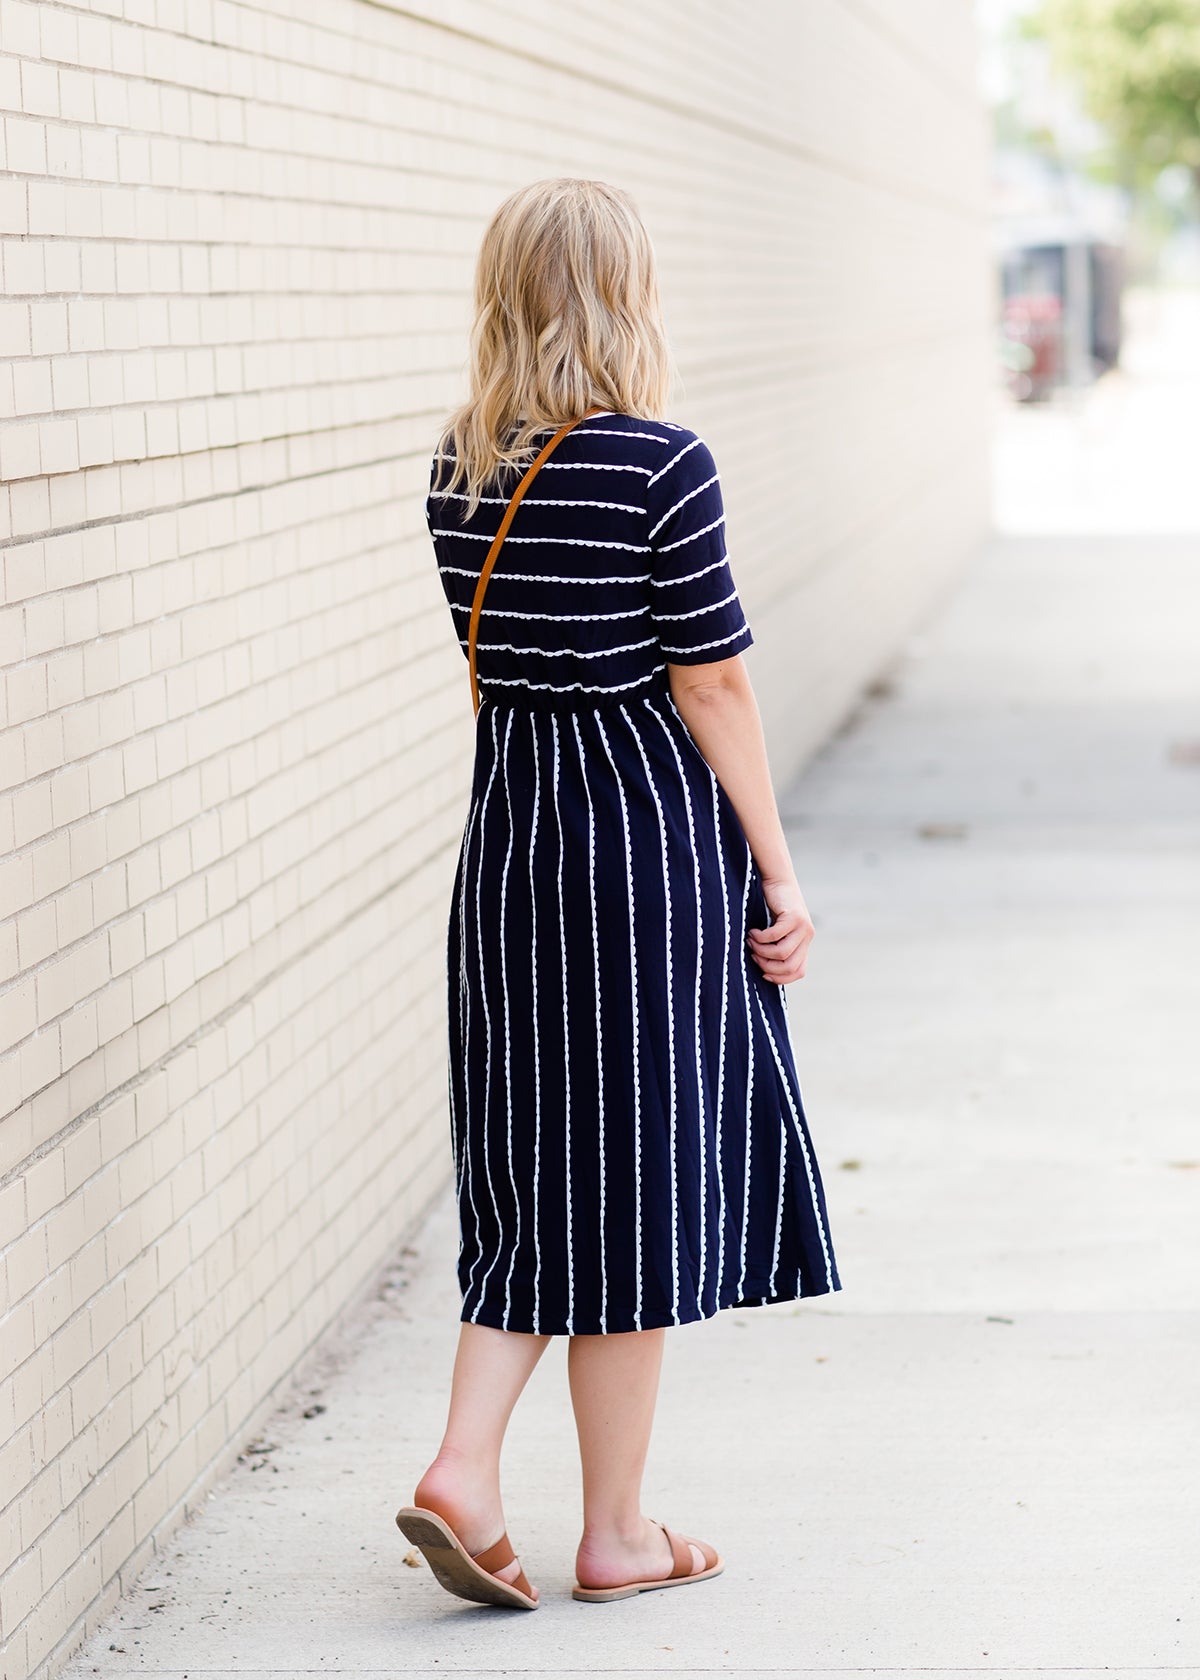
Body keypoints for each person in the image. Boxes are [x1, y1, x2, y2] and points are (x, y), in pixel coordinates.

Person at [396, 176, 843, 1610]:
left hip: (511, 853)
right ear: (626, 295)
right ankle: (615, 1533)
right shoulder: (661, 463)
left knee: (534, 1176)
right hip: (640, 863)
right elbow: (708, 681)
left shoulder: (458, 473)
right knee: (636, 1185)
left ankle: (469, 1465)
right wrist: (776, 871)